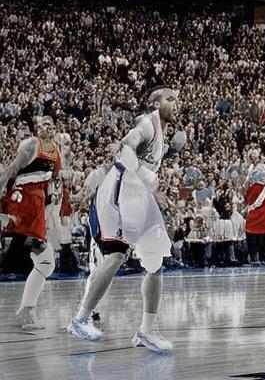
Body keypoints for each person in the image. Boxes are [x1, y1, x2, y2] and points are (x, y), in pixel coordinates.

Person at [68, 87, 181, 353]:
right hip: (120, 191)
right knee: (116, 254)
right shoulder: (147, 123)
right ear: (155, 103)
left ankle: (146, 331)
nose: (176, 103)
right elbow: (125, 147)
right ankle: (80, 319)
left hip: (139, 197)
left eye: (177, 99)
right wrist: (149, 179)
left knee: (155, 263)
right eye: (169, 99)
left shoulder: (161, 133)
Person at [0, 115, 62, 331]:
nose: (48, 127)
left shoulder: (55, 152)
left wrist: (51, 202)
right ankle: (26, 311)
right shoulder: (31, 145)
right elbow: (11, 170)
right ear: (37, 128)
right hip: (21, 203)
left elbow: (50, 182)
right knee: (41, 259)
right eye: (44, 124)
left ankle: (26, 311)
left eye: (51, 124)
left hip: (36, 209)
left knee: (45, 263)